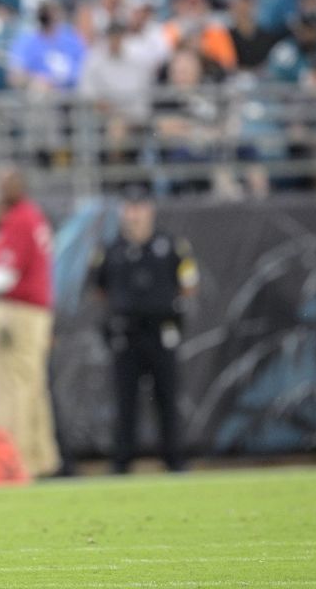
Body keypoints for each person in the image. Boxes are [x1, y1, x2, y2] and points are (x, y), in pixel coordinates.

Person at [91, 186, 199, 474]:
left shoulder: (170, 245)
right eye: (130, 208)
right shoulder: (111, 249)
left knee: (167, 396)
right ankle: (122, 461)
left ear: (149, 210)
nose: (135, 214)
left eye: (139, 207)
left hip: (161, 331)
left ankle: (174, 459)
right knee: (125, 400)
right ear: (122, 212)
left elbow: (188, 283)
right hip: (125, 333)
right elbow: (99, 289)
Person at [0, 164, 58, 478]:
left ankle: (13, 462)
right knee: (31, 385)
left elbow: (1, 277)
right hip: (34, 311)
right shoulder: (31, 216)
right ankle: (38, 458)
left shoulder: (19, 219)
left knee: (9, 387)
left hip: (15, 310)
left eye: (2, 184)